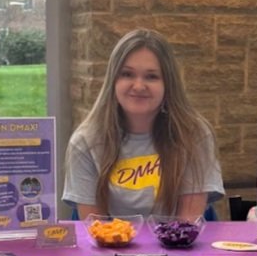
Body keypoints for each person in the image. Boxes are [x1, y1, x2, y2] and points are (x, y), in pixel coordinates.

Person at [63, 29, 224, 219]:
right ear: (113, 81)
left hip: (178, 238)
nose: (139, 86)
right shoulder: (85, 142)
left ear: (168, 84)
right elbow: (94, 226)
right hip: (110, 238)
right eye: (127, 74)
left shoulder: (195, 135)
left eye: (151, 76)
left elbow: (187, 223)